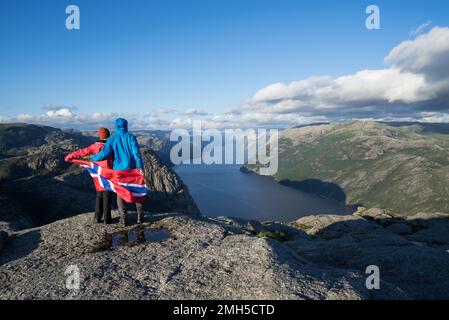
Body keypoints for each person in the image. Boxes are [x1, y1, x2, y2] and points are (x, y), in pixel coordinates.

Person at [92, 118, 145, 226]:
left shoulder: (112, 138)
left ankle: (123, 219)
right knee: (136, 191)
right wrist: (140, 167)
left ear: (116, 126)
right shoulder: (131, 137)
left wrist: (94, 157)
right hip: (131, 169)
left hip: (118, 171)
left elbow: (105, 154)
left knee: (120, 193)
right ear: (126, 125)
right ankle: (140, 217)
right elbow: (137, 154)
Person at [65, 127, 113, 224]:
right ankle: (107, 219)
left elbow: (81, 152)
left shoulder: (94, 146)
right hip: (108, 173)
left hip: (97, 173)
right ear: (108, 135)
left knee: (99, 195)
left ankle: (97, 217)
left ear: (100, 135)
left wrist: (69, 157)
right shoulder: (111, 146)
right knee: (107, 195)